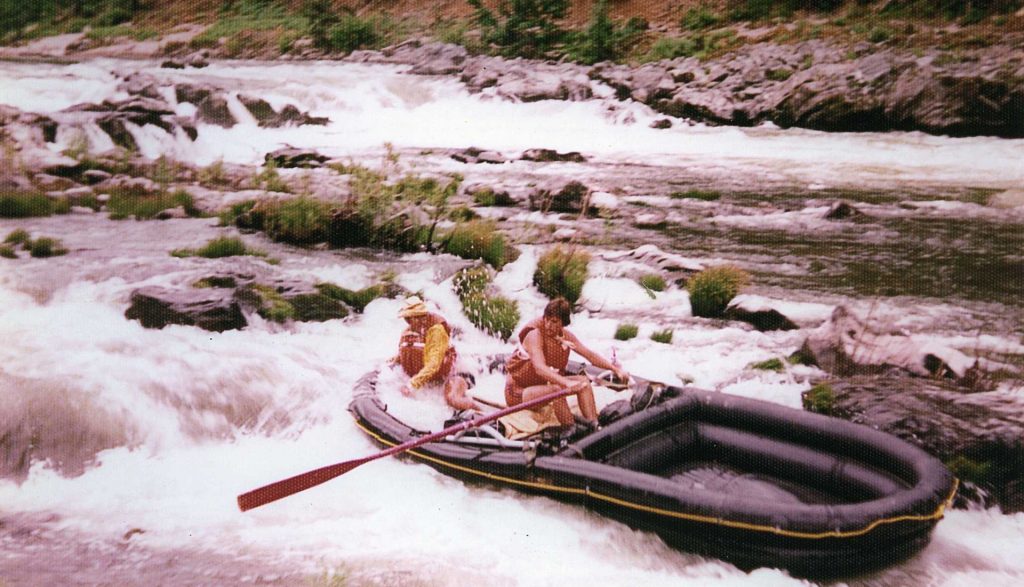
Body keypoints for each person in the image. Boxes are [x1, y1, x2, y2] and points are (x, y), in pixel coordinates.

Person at [504, 297, 629, 429]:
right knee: (557, 389)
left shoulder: (566, 337)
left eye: (554, 322)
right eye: (546, 319)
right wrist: (566, 383)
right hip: (517, 393)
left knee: (583, 382)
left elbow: (590, 355)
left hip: (538, 389)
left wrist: (616, 370)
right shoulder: (534, 335)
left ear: (563, 323)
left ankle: (594, 426)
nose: (548, 325)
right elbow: (540, 368)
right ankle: (570, 429)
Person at [395, 296, 475, 411]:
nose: (407, 322)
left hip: (455, 375)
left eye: (409, 318)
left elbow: (434, 364)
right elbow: (402, 354)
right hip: (430, 381)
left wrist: (411, 385)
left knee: (452, 399)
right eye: (406, 319)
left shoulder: (437, 331)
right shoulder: (408, 331)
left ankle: (488, 417)